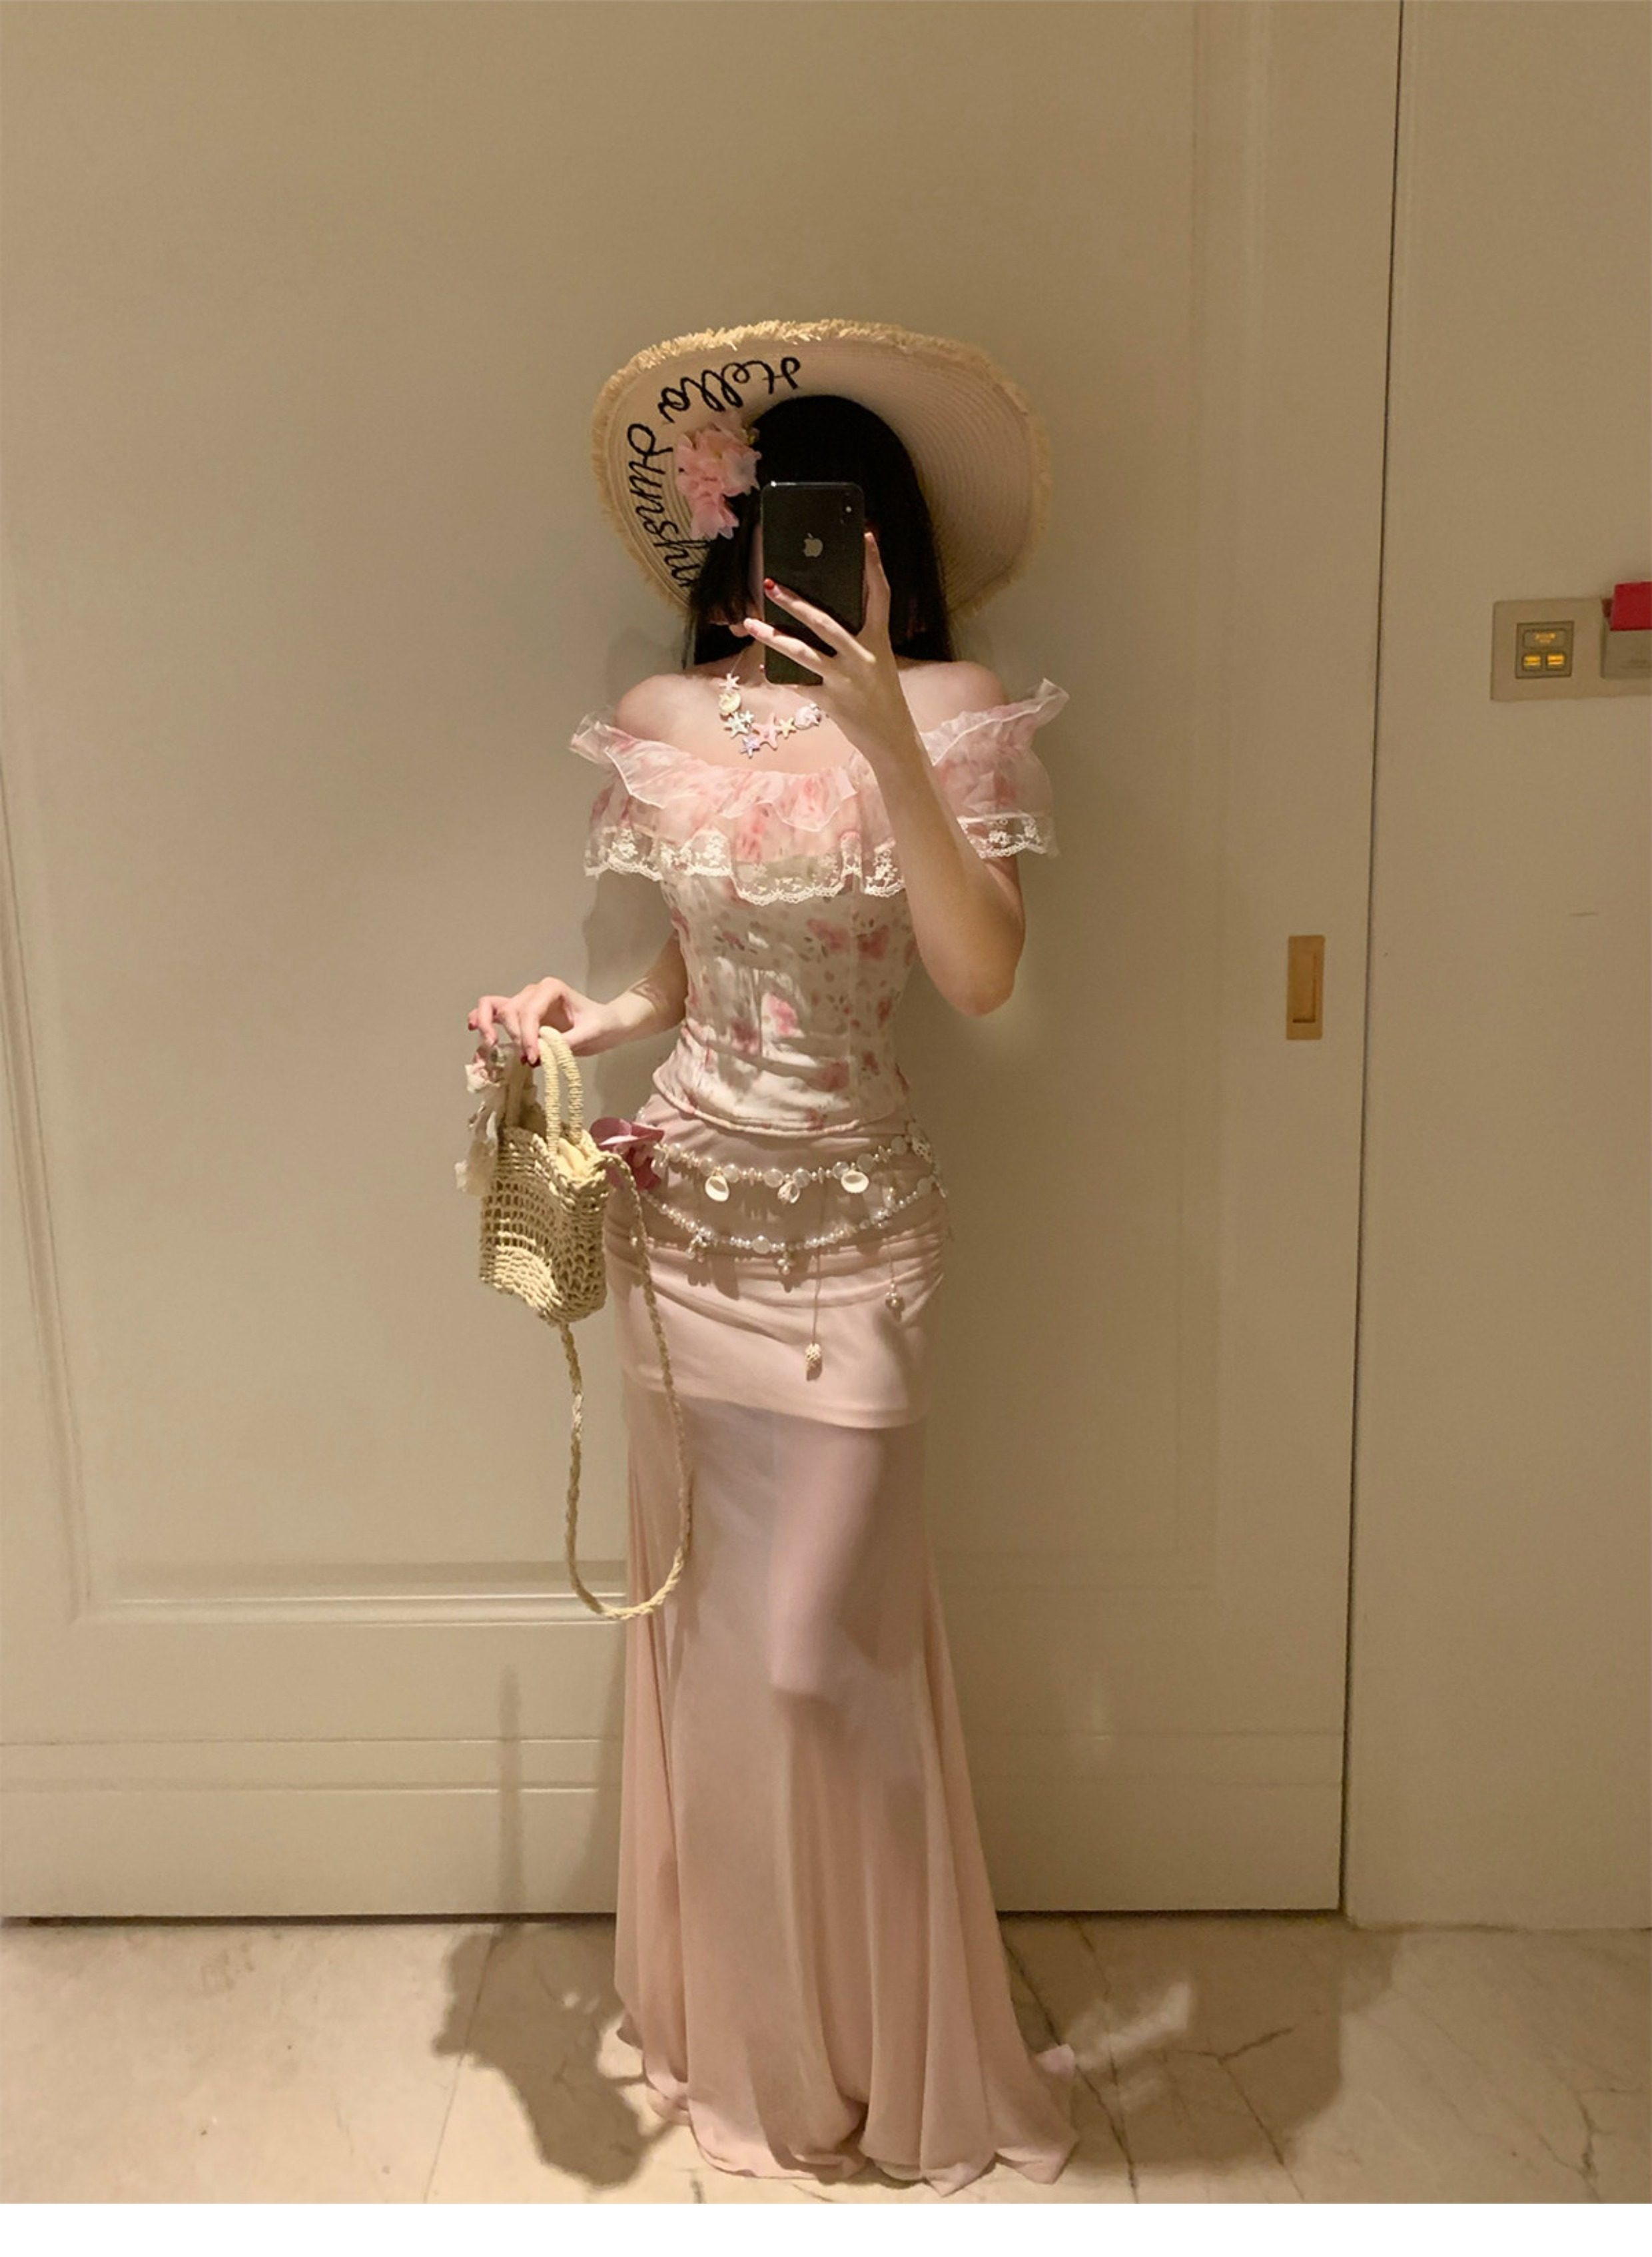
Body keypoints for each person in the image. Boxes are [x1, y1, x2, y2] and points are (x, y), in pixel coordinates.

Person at [465, 320, 1078, 2195]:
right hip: (687, 1233)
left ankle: (886, 2051)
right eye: (767, 517)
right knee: (724, 1665)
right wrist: (587, 1014)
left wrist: (887, 730)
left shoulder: (954, 703)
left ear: (886, 538)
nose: (795, 550)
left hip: (856, 1242)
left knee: (823, 1663)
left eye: (835, 519)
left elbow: (981, 973)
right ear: (726, 534)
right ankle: (754, 2051)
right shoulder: (670, 724)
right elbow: (696, 954)